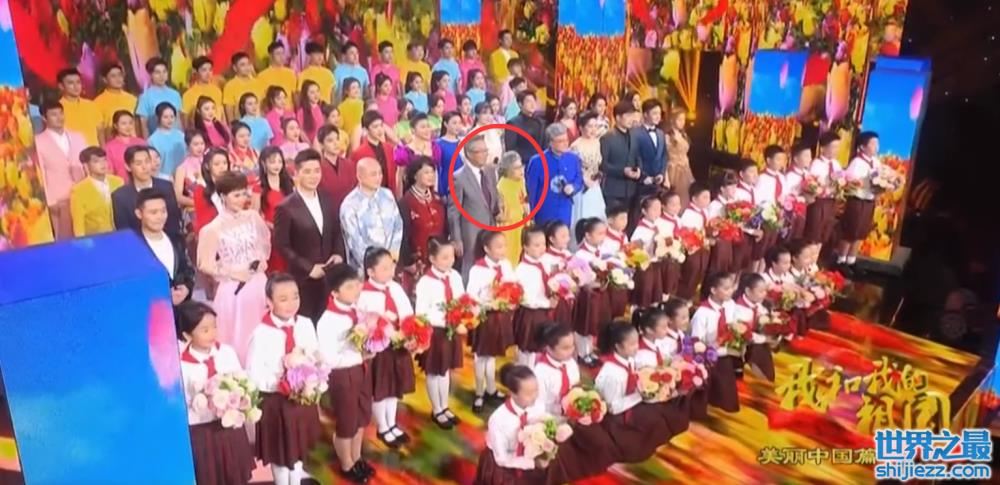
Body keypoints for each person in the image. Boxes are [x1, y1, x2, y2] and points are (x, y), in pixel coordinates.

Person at [246, 274, 321, 485]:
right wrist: (282, 383)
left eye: (295, 296)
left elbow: (314, 356)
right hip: (276, 402)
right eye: (283, 298)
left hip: (302, 399)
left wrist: (310, 379)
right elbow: (253, 375)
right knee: (279, 452)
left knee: (298, 448)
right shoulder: (261, 333)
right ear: (269, 302)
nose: (291, 303)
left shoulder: (305, 324)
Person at [176, 301, 254, 485]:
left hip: (230, 428)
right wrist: (203, 400)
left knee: (236, 476)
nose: (212, 333)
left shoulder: (226, 352)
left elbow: (241, 381)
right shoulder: (181, 365)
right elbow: (183, 402)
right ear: (187, 335)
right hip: (202, 432)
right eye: (205, 330)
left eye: (214, 327)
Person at [196, 171, 271, 364]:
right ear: (223, 196)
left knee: (265, 331)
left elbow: (264, 245)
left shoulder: (253, 217)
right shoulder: (212, 228)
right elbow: (205, 264)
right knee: (239, 335)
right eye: (236, 195)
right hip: (234, 288)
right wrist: (232, 272)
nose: (242, 199)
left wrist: (261, 261)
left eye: (244, 194)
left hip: (259, 284)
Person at [533, 323, 617, 483]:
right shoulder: (540, 373)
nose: (571, 351)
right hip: (552, 418)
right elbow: (539, 407)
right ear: (548, 348)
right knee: (559, 456)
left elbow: (576, 386)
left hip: (574, 414)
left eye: (572, 345)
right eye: (565, 348)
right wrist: (561, 420)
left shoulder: (570, 363)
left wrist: (582, 405)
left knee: (601, 441)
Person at [316, 264, 376, 484]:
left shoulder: (356, 310)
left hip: (361, 370)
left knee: (361, 418)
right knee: (347, 422)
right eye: (349, 287)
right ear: (334, 292)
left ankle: (356, 457)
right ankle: (346, 464)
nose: (356, 290)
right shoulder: (328, 320)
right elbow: (329, 358)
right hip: (343, 376)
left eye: (357, 284)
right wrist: (358, 355)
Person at [274, 149, 344, 322]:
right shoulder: (286, 207)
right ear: (296, 173)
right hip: (304, 279)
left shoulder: (326, 198)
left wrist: (338, 253)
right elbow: (282, 245)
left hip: (330, 275)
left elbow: (336, 230)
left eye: (317, 171)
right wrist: (309, 268)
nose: (313, 176)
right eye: (307, 172)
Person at [358, 248, 415, 449]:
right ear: (370, 272)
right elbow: (364, 322)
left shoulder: (396, 288)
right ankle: (383, 427)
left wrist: (409, 333)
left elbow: (407, 311)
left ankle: (392, 423)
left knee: (394, 387)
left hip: (398, 346)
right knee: (381, 388)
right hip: (379, 350)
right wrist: (383, 331)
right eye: (384, 268)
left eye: (391, 266)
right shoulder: (363, 294)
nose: (390, 271)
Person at [594, 322, 671, 463]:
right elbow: (613, 408)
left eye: (637, 342)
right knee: (650, 426)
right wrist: (640, 395)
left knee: (659, 417)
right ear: (618, 346)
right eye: (632, 344)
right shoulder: (613, 373)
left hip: (629, 404)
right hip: (615, 418)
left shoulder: (629, 359)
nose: (637, 347)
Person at [414, 237, 466, 428]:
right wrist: (446, 319)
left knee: (445, 370)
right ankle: (436, 409)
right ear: (432, 259)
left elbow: (461, 299)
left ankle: (444, 406)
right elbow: (421, 313)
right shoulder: (425, 282)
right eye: (444, 257)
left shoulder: (455, 276)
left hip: (451, 330)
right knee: (434, 371)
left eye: (451, 256)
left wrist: (463, 315)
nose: (450, 261)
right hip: (435, 332)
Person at [466, 232, 516, 413]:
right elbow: (471, 295)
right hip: (484, 317)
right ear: (486, 249)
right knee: (481, 356)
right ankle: (479, 392)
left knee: (492, 355)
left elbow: (513, 286)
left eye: (504, 245)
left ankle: (491, 389)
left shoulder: (506, 265)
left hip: (499, 317)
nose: (503, 250)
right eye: (499, 247)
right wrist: (488, 304)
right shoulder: (477, 269)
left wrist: (511, 298)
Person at [474, 364, 547, 485]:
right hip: (503, 466)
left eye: (536, 390)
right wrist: (531, 463)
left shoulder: (539, 406)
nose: (535, 396)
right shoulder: (498, 420)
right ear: (513, 393)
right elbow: (501, 459)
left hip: (529, 456)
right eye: (529, 393)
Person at [448, 135, 500, 276]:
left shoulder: (490, 171)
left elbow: (493, 198)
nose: (485, 154)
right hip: (470, 233)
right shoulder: (458, 178)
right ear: (469, 154)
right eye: (480, 151)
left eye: (485, 150)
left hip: (491, 229)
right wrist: (456, 239)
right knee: (471, 268)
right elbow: (453, 212)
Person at [340, 158, 404, 269]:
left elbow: (398, 225)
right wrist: (375, 266)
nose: (378, 178)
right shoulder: (350, 204)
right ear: (359, 176)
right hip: (366, 269)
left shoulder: (387, 195)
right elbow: (354, 241)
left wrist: (392, 259)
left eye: (380, 173)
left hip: (391, 264)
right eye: (373, 174)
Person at [36, 101, 86, 239]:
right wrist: (49, 200)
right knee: (63, 238)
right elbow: (40, 174)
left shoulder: (78, 136)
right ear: (44, 118)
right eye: (54, 115)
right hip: (58, 199)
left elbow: (86, 165)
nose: (59, 118)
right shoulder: (38, 142)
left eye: (61, 113)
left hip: (81, 194)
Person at [690, 272, 740, 412]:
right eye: (726, 288)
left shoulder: (730, 305)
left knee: (730, 404)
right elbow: (696, 342)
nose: (731, 291)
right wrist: (713, 347)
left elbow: (735, 325)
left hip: (725, 353)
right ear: (713, 290)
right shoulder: (702, 313)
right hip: (707, 357)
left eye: (731, 287)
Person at [136, 188, 194, 306]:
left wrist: (187, 288)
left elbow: (188, 270)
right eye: (153, 212)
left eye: (163, 211)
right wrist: (164, 297)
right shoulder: (132, 246)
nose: (160, 216)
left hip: (183, 308)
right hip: (151, 310)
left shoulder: (176, 238)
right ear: (139, 214)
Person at [111, 145, 181, 237]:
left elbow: (174, 221)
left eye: (147, 162)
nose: (144, 167)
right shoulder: (120, 196)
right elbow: (124, 230)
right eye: (138, 163)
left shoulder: (166, 187)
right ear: (128, 167)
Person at [398, 158, 446, 291]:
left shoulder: (438, 199)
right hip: (417, 263)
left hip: (439, 259)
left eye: (432, 172)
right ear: (415, 175)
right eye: (426, 172)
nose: (431, 176)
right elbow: (402, 235)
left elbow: (445, 229)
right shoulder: (406, 202)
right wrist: (408, 262)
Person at [837, 131, 882, 269]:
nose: (876, 146)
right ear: (862, 147)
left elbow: (880, 179)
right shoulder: (857, 162)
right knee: (851, 232)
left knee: (861, 233)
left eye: (877, 143)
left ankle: (851, 261)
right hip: (857, 201)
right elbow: (850, 183)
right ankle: (841, 260)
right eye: (873, 143)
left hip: (869, 201)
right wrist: (859, 183)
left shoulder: (876, 162)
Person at [526, 122, 582, 227]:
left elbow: (579, 180)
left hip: (565, 211)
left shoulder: (573, 159)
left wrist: (573, 187)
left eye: (566, 140)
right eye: (560, 141)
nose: (565, 144)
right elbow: (531, 190)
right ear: (550, 142)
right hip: (544, 212)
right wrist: (531, 215)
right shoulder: (537, 161)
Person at [573, 218, 612, 366]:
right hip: (586, 294)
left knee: (594, 323)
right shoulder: (581, 254)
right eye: (599, 234)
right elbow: (578, 276)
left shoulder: (601, 250)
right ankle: (582, 353)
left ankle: (589, 351)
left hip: (599, 292)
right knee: (584, 324)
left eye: (604, 233)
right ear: (588, 235)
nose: (603, 237)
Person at [513, 227, 553, 367]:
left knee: (540, 345)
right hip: (530, 313)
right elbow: (524, 298)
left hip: (544, 311)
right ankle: (524, 371)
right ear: (526, 247)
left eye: (543, 244)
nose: (542, 248)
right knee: (527, 347)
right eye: (537, 245)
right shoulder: (522, 270)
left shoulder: (546, 262)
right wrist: (547, 303)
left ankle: (536, 370)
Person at [70, 147, 124, 237]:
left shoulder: (118, 182)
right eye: (96, 161)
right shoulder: (78, 191)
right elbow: (78, 226)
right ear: (86, 166)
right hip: (96, 238)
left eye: (104, 160)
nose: (103, 164)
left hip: (121, 234)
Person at [733, 272, 777, 381]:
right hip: (741, 345)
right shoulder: (738, 309)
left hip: (756, 341)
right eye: (760, 291)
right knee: (758, 350)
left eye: (765, 291)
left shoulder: (759, 304)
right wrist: (765, 339)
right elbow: (745, 334)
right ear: (748, 291)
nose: (764, 294)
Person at [804, 132, 843, 251]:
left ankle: (815, 258)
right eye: (833, 147)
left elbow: (841, 180)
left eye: (838, 147)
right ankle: (808, 258)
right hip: (819, 202)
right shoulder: (816, 164)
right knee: (814, 233)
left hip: (831, 202)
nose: (836, 150)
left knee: (824, 234)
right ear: (823, 148)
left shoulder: (836, 164)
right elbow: (812, 184)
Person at [569, 111, 607, 232]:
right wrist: (584, 179)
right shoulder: (576, 145)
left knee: (597, 215)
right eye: (590, 126)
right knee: (584, 216)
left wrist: (598, 176)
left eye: (595, 126)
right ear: (581, 128)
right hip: (582, 187)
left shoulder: (597, 142)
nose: (593, 129)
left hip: (595, 185)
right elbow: (573, 168)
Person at [258, 147, 293, 272]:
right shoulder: (259, 188)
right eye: (272, 162)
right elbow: (255, 215)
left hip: (290, 234)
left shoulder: (289, 184)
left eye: (279, 161)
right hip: (271, 236)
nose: (277, 165)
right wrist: (269, 225)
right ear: (264, 164)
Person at [600, 101, 641, 211]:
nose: (631, 119)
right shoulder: (607, 138)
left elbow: (637, 156)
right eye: (628, 116)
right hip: (613, 190)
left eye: (632, 116)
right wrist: (622, 171)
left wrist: (639, 169)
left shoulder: (634, 135)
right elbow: (603, 165)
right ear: (618, 118)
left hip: (631, 189)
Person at [677, 181, 712, 300]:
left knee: (700, 273)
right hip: (693, 251)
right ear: (694, 199)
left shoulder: (704, 211)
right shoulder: (689, 214)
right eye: (704, 197)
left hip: (703, 249)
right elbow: (687, 236)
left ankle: (691, 297)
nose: (708, 200)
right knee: (690, 275)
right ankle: (683, 298)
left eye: (709, 197)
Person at [350, 111, 398, 195]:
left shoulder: (389, 148)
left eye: (381, 125)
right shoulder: (359, 153)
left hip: (388, 194)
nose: (380, 130)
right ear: (365, 130)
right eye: (375, 127)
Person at [631, 196, 666, 308]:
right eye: (654, 209)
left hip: (655, 265)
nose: (658, 212)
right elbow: (635, 249)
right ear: (644, 211)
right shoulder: (640, 230)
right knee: (644, 294)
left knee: (654, 293)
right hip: (645, 267)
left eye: (659, 209)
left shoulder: (657, 226)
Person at [55, 67, 103, 146]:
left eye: (78, 82)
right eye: (71, 83)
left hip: (94, 151)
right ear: (61, 86)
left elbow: (100, 131)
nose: (76, 86)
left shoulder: (91, 105)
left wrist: (103, 150)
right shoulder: (57, 109)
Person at [634, 99, 670, 201]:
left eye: (659, 113)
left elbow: (664, 156)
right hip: (641, 183)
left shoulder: (661, 133)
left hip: (658, 182)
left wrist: (661, 174)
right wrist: (644, 177)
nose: (658, 116)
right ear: (645, 114)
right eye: (654, 113)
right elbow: (636, 157)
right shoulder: (635, 133)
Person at [137, 57, 183, 136]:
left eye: (164, 72)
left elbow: (178, 119)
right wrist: (147, 142)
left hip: (176, 137)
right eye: (157, 72)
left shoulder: (175, 94)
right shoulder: (145, 97)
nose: (162, 76)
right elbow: (143, 124)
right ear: (151, 75)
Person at [497, 151, 529, 263]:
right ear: (507, 170)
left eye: (521, 166)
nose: (521, 170)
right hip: (509, 229)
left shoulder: (521, 182)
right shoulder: (502, 186)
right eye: (517, 168)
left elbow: (523, 201)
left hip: (522, 226)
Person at [395, 113, 441, 188]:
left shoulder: (434, 148)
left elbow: (435, 173)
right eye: (423, 127)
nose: (427, 130)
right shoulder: (405, 152)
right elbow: (400, 177)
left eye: (428, 126)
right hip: (411, 191)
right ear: (413, 130)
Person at [192, 148, 231, 236]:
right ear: (207, 166)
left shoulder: (231, 185)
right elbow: (204, 220)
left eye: (225, 163)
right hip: (213, 233)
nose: (222, 167)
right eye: (216, 164)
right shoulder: (201, 189)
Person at [541, 221, 574, 324]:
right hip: (555, 301)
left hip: (568, 299)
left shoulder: (568, 254)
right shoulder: (545, 258)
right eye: (563, 236)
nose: (567, 239)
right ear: (551, 239)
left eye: (568, 235)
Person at [93, 64, 136, 138]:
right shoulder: (97, 102)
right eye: (113, 76)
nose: (118, 79)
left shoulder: (132, 99)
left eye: (120, 75)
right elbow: (99, 130)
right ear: (104, 80)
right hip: (111, 141)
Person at [147, 103, 187, 179]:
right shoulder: (152, 140)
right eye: (165, 117)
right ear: (158, 118)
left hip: (183, 176)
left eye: (172, 116)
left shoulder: (181, 135)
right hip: (163, 178)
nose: (169, 120)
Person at [504, 90, 545, 165]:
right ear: (520, 104)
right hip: (523, 164)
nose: (532, 104)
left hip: (540, 163)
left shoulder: (540, 123)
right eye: (528, 101)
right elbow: (511, 149)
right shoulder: (513, 123)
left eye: (534, 101)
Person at [657, 191, 684, 299]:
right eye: (673, 205)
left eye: (678, 204)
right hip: (665, 258)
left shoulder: (678, 220)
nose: (677, 207)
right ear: (663, 206)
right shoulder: (659, 221)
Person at [784, 142, 814, 242]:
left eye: (810, 156)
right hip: (791, 213)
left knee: (798, 236)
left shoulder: (807, 174)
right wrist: (801, 197)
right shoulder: (790, 176)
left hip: (803, 210)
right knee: (789, 237)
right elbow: (785, 196)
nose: (810, 159)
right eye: (806, 156)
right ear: (796, 159)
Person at [104, 111, 147, 179]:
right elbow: (109, 172)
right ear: (115, 126)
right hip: (121, 183)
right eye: (124, 124)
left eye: (130, 123)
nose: (128, 127)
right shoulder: (109, 147)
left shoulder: (141, 142)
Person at [665, 107, 693, 206]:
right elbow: (665, 156)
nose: (682, 122)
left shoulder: (683, 134)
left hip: (685, 169)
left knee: (685, 196)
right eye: (679, 119)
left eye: (683, 119)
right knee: (674, 197)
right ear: (672, 120)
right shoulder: (668, 136)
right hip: (674, 170)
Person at [182, 56, 224, 122]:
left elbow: (221, 115)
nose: (208, 73)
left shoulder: (217, 91)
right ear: (196, 71)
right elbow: (186, 120)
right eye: (204, 70)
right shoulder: (188, 94)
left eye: (210, 70)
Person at [222, 52, 261, 121]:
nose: (247, 67)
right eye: (242, 65)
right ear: (235, 68)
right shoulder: (230, 86)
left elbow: (263, 106)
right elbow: (229, 113)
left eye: (248, 64)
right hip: (241, 124)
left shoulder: (258, 82)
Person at [257, 41, 297, 108]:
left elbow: (294, 95)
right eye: (278, 54)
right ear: (270, 56)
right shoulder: (262, 76)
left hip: (289, 111)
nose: (281, 57)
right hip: (272, 111)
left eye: (283, 53)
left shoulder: (290, 73)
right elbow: (262, 100)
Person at [434, 111, 463, 197]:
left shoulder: (463, 142)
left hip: (463, 186)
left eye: (459, 123)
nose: (458, 126)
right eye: (454, 123)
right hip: (446, 186)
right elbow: (436, 169)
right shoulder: (438, 144)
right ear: (446, 124)